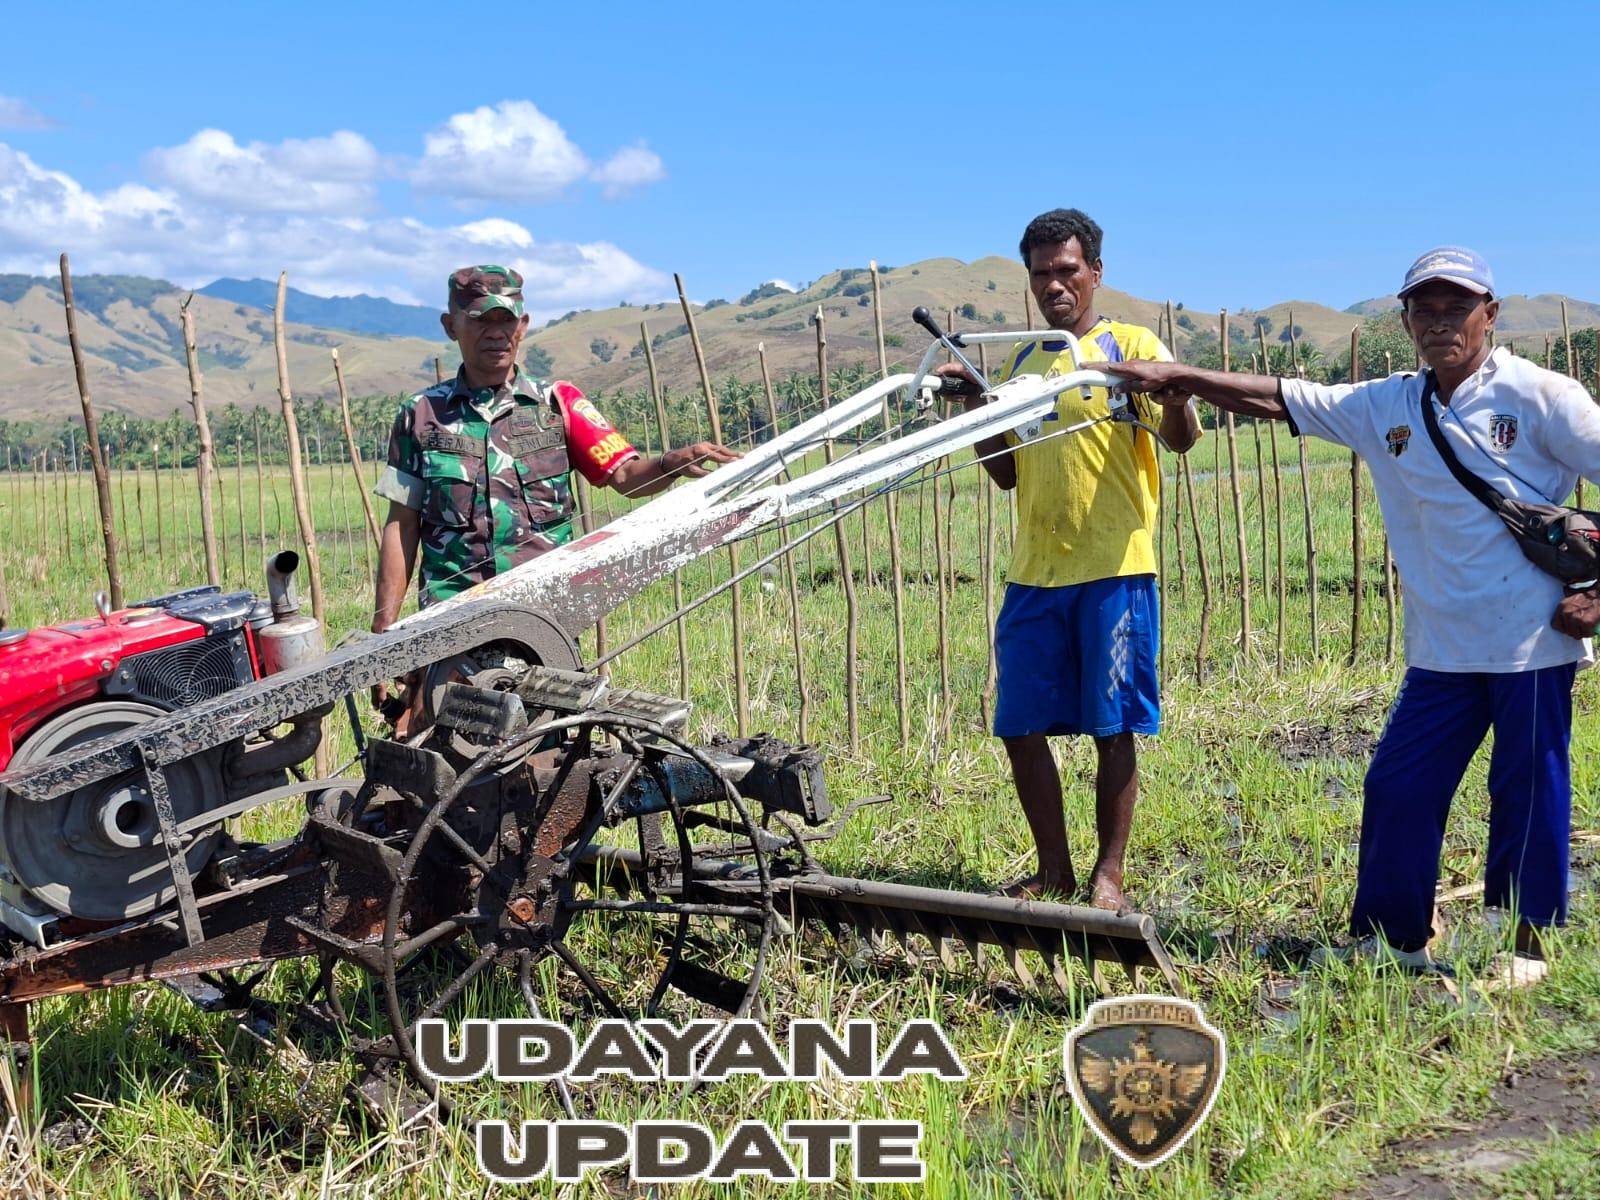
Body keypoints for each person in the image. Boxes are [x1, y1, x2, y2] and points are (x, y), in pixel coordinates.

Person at [1098, 246, 1600, 969]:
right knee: (1398, 783)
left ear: (1490, 313)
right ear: (1404, 320)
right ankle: (1393, 940)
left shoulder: (1539, 396)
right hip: (1441, 648)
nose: (1439, 322)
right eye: (1423, 310)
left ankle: (1527, 948)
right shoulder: (1387, 404)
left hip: (1530, 639)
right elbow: (1275, 396)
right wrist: (1181, 378)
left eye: (1455, 306)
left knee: (1527, 790)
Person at [936, 209, 1201, 911]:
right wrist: (972, 416)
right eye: (1041, 274)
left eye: (1067, 270)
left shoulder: (1132, 345)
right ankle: (1053, 869)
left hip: (1114, 568)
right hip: (1035, 573)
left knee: (1112, 727)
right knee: (1019, 724)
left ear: (1096, 272)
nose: (1054, 285)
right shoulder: (1026, 363)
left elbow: (1180, 441)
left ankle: (1106, 875)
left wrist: (1173, 399)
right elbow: (1006, 475)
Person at [371, 265, 736, 704]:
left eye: (506, 319)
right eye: (480, 319)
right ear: (451, 327)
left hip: (544, 622)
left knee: (545, 750)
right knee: (453, 753)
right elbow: (401, 526)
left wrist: (671, 463)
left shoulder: (558, 405)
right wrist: (384, 639)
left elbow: (625, 477)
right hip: (452, 627)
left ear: (523, 326)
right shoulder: (421, 415)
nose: (496, 332)